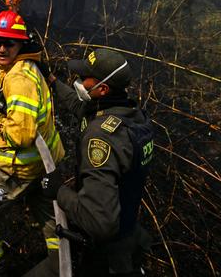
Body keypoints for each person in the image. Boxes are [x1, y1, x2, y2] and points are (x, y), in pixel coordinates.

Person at [36, 48, 154, 276]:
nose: (77, 81)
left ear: (102, 88)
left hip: (103, 256)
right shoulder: (130, 115)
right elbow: (79, 107)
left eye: (83, 78)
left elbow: (100, 223)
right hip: (127, 233)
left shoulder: (101, 137)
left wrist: (58, 191)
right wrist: (50, 79)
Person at [0, 10, 65, 276]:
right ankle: (61, 261)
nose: (1, 48)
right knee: (51, 218)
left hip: (21, 167)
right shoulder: (27, 67)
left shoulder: (18, 78)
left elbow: (22, 135)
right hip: (45, 165)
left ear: (21, 44)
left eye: (9, 43)